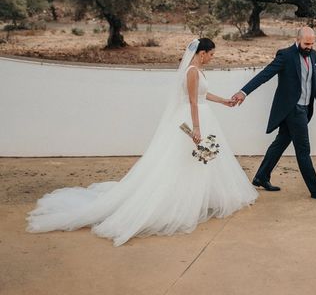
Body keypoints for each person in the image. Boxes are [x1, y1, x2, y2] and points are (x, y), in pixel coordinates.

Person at [26, 38, 258, 246]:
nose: (212, 58)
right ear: (202, 52)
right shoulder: (192, 72)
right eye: (211, 54)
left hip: (203, 117)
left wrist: (224, 101)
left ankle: (202, 196)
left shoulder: (198, 71)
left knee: (201, 161)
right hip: (192, 120)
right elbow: (192, 102)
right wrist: (196, 128)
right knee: (185, 161)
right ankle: (177, 201)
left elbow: (203, 95)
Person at [232, 26, 316, 202]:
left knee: (280, 143)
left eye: (312, 43)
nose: (309, 47)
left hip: (305, 108)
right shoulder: (285, 55)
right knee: (303, 150)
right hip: (293, 110)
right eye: (306, 43)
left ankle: (261, 176)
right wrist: (243, 92)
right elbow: (265, 75)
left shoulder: (313, 55)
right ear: (298, 40)